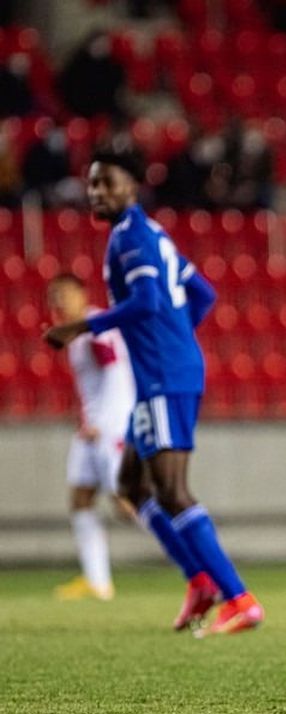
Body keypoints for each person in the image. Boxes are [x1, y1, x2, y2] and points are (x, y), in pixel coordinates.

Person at [43, 147, 263, 636]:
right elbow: (202, 294)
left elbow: (144, 301)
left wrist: (82, 325)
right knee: (131, 485)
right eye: (92, 183)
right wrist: (177, 335)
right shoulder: (151, 234)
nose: (96, 192)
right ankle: (200, 580)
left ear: (133, 186)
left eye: (107, 183)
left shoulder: (133, 238)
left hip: (164, 375)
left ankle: (239, 597)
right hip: (160, 374)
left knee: (173, 491)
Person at [47, 274, 136, 601]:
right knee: (80, 498)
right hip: (91, 429)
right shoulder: (78, 334)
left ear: (82, 294)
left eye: (65, 294)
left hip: (109, 426)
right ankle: (98, 582)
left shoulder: (96, 326)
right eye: (53, 296)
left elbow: (115, 373)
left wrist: (103, 422)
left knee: (126, 505)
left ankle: (194, 552)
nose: (59, 302)